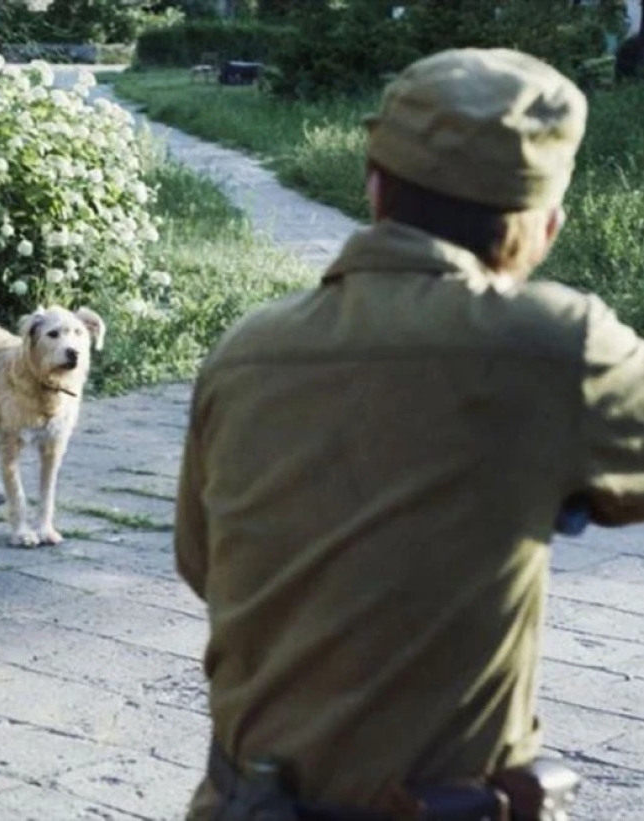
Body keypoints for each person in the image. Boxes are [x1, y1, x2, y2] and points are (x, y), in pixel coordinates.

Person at [175, 47, 644, 820]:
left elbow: (204, 564)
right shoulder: (558, 348)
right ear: (546, 224)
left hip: (238, 803)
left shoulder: (244, 347)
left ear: (372, 186)